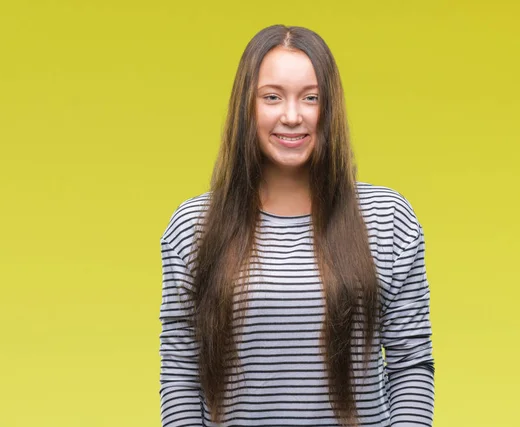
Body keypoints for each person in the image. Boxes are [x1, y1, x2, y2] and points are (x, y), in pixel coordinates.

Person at [158, 24, 435, 427]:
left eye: (311, 98)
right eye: (272, 97)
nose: (292, 116)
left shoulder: (387, 218)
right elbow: (181, 375)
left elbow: (411, 365)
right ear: (246, 108)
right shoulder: (193, 226)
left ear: (330, 108)